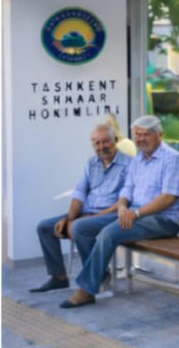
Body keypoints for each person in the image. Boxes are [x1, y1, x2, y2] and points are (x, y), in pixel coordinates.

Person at [60, 115, 179, 310]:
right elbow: (127, 188)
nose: (141, 139)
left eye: (146, 135)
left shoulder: (173, 158)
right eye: (138, 135)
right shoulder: (139, 158)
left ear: (159, 134)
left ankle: (86, 290)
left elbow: (168, 198)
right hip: (132, 214)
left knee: (109, 233)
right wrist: (123, 206)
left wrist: (135, 214)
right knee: (81, 227)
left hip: (162, 220)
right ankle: (99, 277)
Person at [29, 123, 130, 293]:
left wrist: (86, 219)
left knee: (80, 227)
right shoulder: (91, 163)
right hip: (87, 213)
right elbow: (79, 194)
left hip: (111, 214)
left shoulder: (129, 164)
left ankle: (98, 274)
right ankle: (59, 277)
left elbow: (123, 202)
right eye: (96, 143)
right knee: (45, 227)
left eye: (105, 142)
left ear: (115, 141)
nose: (101, 147)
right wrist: (69, 217)